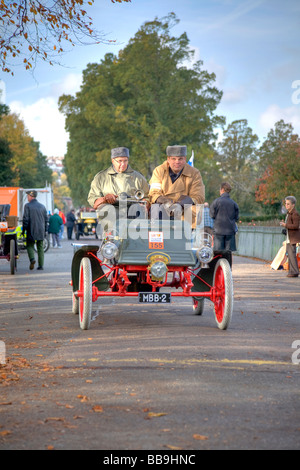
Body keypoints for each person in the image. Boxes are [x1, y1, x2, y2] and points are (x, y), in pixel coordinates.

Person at [149, 145, 205, 225]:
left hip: (184, 213)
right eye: (173, 159)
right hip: (162, 210)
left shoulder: (194, 173)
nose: (177, 162)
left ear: (185, 159)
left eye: (180, 159)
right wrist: (167, 202)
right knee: (155, 208)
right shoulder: (159, 171)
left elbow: (198, 196)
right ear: (168, 159)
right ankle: (155, 234)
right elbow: (154, 193)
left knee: (190, 212)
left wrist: (180, 205)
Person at [22, 190, 48, 271]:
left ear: (30, 196)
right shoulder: (42, 206)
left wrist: (24, 231)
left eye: (28, 196)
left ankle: (32, 259)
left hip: (31, 230)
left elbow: (26, 219)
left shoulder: (27, 206)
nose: (27, 197)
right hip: (41, 231)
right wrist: (45, 231)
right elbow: (46, 220)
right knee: (40, 247)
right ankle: (41, 265)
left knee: (29, 245)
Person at [209, 182, 239, 251]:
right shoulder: (234, 203)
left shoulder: (216, 202)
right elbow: (237, 217)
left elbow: (212, 215)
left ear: (222, 189)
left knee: (218, 252)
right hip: (230, 231)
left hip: (218, 231)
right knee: (228, 253)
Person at [280, 195, 300, 277]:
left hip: (293, 238)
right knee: (290, 255)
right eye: (286, 204)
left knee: (292, 255)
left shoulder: (295, 214)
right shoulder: (289, 213)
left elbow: (295, 226)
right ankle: (291, 271)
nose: (286, 205)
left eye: (288, 204)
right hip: (289, 237)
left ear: (293, 205)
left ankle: (294, 271)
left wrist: (285, 225)